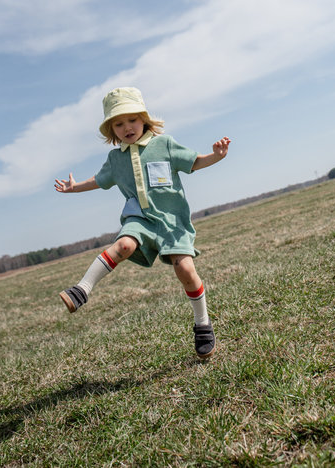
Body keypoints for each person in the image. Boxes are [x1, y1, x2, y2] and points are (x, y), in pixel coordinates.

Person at [54, 86, 231, 359]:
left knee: (185, 270)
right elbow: (98, 181)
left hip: (172, 222)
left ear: (144, 119)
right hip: (139, 219)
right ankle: (82, 290)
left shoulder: (165, 144)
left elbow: (193, 162)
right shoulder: (115, 159)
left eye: (132, 120)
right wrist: (74, 188)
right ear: (111, 130)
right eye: (119, 123)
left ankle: (203, 323)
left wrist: (216, 156)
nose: (127, 128)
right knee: (123, 244)